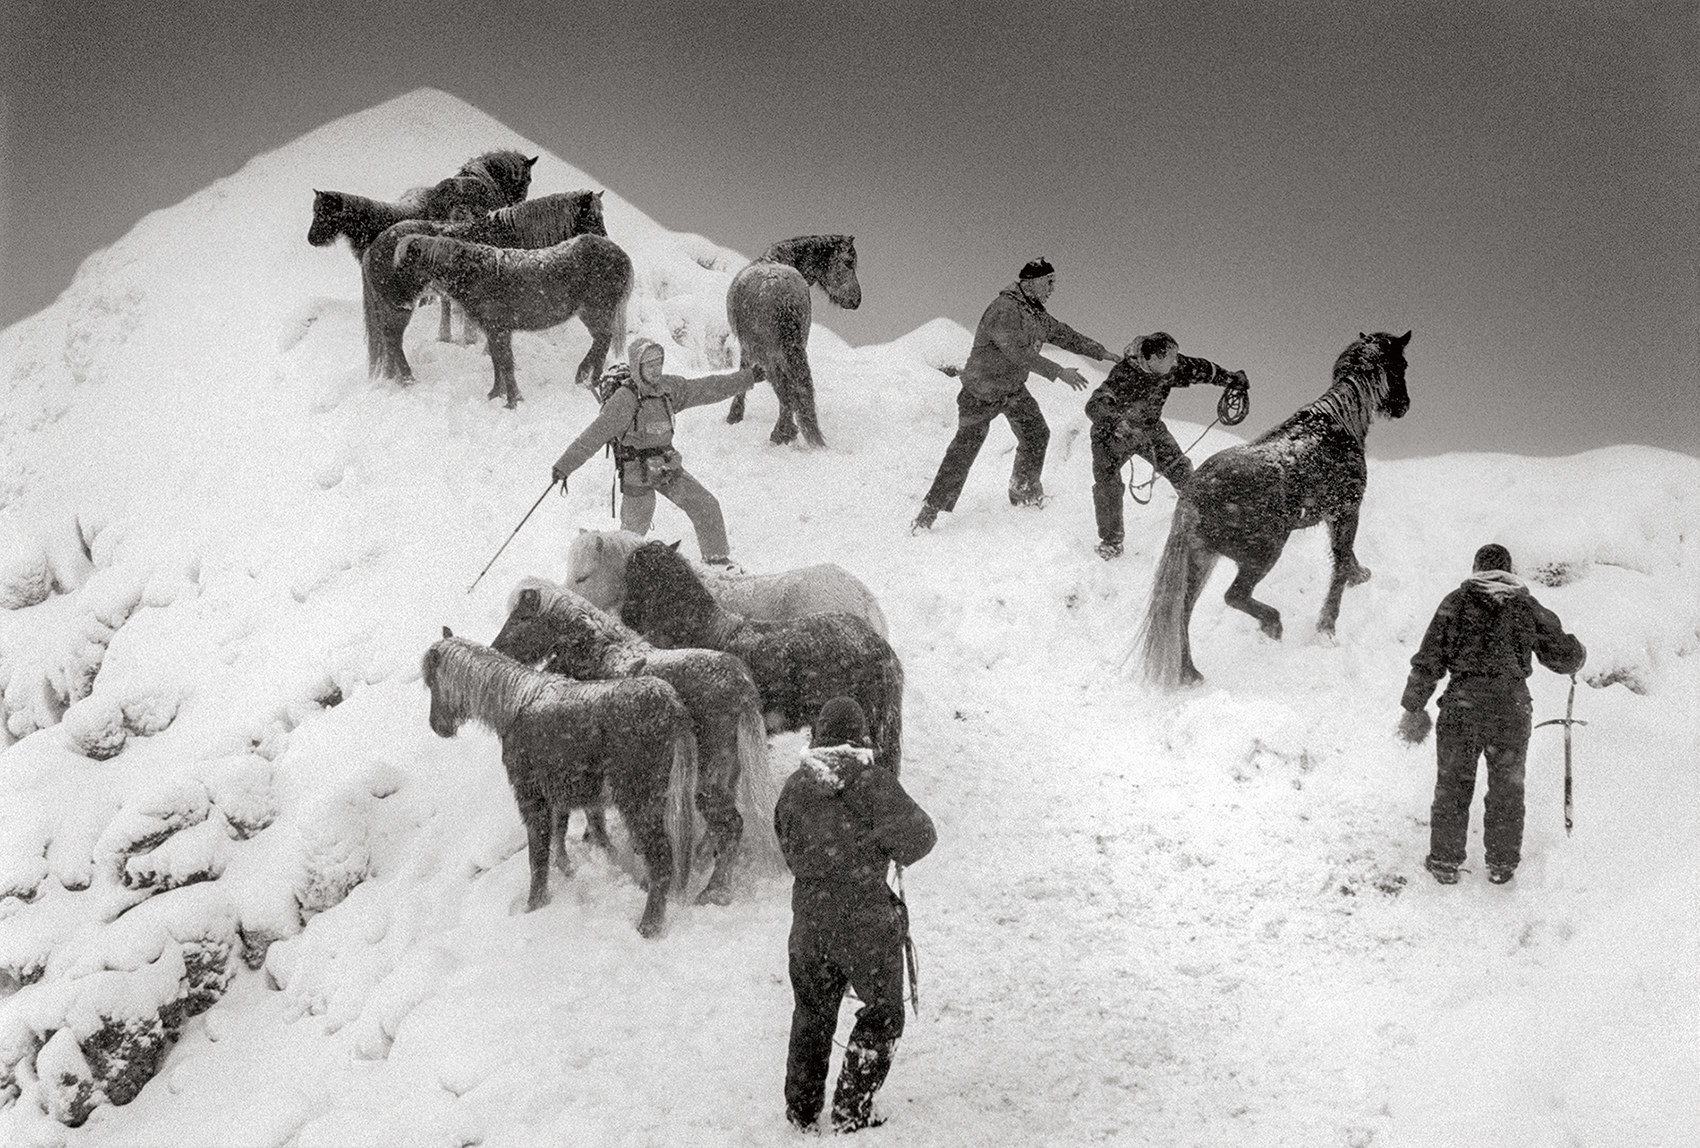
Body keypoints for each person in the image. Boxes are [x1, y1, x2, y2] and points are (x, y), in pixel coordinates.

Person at [774, 697, 936, 1134]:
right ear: (861, 737)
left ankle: (803, 1111)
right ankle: (851, 1109)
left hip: (809, 924)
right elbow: (922, 836)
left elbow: (787, 844)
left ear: (818, 736)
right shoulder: (873, 782)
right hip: (864, 923)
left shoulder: (794, 787)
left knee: (811, 1011)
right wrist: (881, 845)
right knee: (883, 1013)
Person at [1398, 544, 1586, 885]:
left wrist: (1414, 705)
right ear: (1509, 571)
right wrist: (1578, 653)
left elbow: (1429, 658)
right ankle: (1501, 864)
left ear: (1475, 569)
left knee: (1453, 785)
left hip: (1462, 707)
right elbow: (1562, 656)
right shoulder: (1526, 607)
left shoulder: (1455, 603)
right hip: (1509, 710)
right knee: (1507, 789)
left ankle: (1444, 861)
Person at [911, 258, 1117, 532]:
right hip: (980, 391)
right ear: (1030, 283)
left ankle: (1024, 491)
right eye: (1048, 282)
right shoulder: (1004, 309)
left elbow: (1064, 334)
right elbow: (1017, 352)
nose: (1052, 288)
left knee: (1036, 433)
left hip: (1011, 389)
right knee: (964, 451)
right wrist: (1058, 372)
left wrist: (1100, 352)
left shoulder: (1036, 313)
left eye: (1054, 282)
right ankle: (929, 512)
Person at [551, 337, 759, 567]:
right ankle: (614, 579)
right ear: (637, 367)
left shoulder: (667, 389)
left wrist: (749, 377)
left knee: (706, 505)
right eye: (649, 365)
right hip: (636, 473)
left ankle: (718, 563)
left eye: (658, 363)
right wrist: (564, 466)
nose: (656, 370)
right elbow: (592, 437)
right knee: (630, 539)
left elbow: (709, 387)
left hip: (666, 465)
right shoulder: (625, 399)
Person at [1084, 332, 1248, 559]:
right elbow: (1095, 405)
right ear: (1152, 359)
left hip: (1149, 428)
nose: (1175, 362)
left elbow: (1201, 369)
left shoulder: (1171, 366)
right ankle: (1111, 542)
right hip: (1112, 434)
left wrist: (1230, 378)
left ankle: (1202, 522)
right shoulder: (1123, 374)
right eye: (1170, 358)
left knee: (1180, 470)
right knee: (1107, 484)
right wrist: (1119, 425)